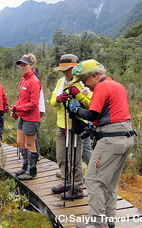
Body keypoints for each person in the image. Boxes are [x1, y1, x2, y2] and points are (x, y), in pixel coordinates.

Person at [71, 59, 137, 228]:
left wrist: (76, 110)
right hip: (126, 137)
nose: (85, 85)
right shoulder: (117, 85)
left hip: (111, 140)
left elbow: (92, 114)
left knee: (94, 180)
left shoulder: (102, 86)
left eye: (84, 81)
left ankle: (97, 224)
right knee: (110, 182)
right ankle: (108, 219)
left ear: (93, 75)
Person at [49, 54, 92, 200]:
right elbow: (52, 101)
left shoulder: (83, 83)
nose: (64, 73)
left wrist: (78, 94)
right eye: (63, 70)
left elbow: (90, 105)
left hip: (76, 125)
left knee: (75, 159)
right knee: (61, 157)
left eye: (67, 70)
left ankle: (78, 187)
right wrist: (58, 99)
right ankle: (67, 181)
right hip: (61, 125)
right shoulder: (61, 83)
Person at [11, 55, 42, 181]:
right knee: (20, 142)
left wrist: (18, 108)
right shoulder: (23, 80)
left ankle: (32, 171)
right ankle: (25, 167)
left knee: (30, 144)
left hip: (31, 118)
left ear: (32, 66)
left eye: (25, 65)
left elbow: (34, 103)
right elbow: (21, 98)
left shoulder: (34, 81)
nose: (22, 67)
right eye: (21, 65)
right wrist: (15, 107)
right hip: (23, 117)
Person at [26, 53, 46, 159]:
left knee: (33, 134)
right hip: (38, 107)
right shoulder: (33, 75)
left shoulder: (33, 76)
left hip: (37, 108)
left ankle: (36, 154)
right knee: (33, 134)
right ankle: (35, 154)